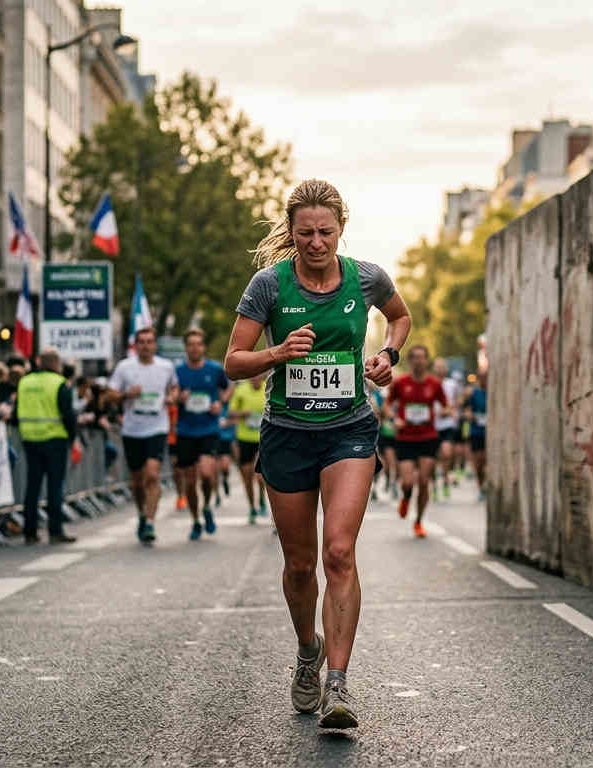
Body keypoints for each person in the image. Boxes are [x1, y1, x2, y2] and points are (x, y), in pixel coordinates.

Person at [225, 179, 410, 730]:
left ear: (341, 230)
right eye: (304, 233)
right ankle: (308, 649)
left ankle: (338, 684)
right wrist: (278, 352)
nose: (315, 243)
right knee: (301, 564)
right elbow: (233, 360)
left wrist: (387, 354)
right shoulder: (269, 285)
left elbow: (400, 317)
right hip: (287, 432)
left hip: (348, 428)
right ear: (292, 231)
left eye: (325, 232)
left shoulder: (367, 278)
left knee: (338, 552)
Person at [105, 327, 179, 544]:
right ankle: (141, 512)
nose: (145, 345)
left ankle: (149, 522)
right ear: (136, 345)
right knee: (137, 482)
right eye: (142, 342)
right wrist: (126, 394)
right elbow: (109, 395)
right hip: (132, 430)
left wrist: (171, 398)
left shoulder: (165, 367)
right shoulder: (124, 367)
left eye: (149, 342)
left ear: (154, 345)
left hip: (157, 428)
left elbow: (174, 388)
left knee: (152, 475)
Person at [15, 348, 79, 545]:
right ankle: (55, 530)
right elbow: (68, 414)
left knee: (32, 487)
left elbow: (17, 408)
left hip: (29, 439)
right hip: (54, 439)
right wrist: (73, 438)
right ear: (56, 364)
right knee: (54, 487)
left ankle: (30, 532)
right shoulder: (59, 383)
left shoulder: (24, 382)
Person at [173, 327, 232, 540]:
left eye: (198, 344)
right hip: (186, 430)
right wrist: (179, 397)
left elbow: (228, 388)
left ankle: (207, 505)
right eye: (191, 344)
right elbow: (170, 395)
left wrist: (220, 403)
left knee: (206, 474)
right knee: (189, 481)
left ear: (203, 347)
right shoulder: (177, 371)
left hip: (209, 429)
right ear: (186, 348)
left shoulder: (215, 369)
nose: (195, 348)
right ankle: (196, 519)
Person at [387, 345, 449, 537]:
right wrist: (394, 419)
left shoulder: (434, 384)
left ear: (427, 360)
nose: (418, 361)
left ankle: (419, 521)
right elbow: (388, 405)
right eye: (414, 358)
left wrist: (443, 412)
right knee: (407, 482)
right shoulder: (400, 383)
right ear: (410, 361)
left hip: (428, 437)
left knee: (423, 481)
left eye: (422, 358)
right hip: (405, 437)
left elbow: (446, 406)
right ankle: (405, 497)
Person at [229, 373, 269, 522]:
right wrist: (241, 414)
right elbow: (230, 413)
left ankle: (262, 500)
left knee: (259, 476)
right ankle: (252, 507)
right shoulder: (241, 390)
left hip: (263, 439)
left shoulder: (268, 388)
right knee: (246, 477)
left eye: (258, 375)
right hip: (244, 439)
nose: (255, 377)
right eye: (252, 374)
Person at [431, 357, 461, 498]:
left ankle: (445, 480)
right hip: (432, 425)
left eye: (443, 367)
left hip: (447, 424)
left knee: (447, 453)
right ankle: (434, 484)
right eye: (438, 366)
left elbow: (457, 400)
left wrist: (451, 410)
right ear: (433, 368)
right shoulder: (429, 383)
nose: (440, 369)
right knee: (432, 458)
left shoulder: (452, 384)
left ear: (446, 369)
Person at [369, 382, 398, 499]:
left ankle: (391, 483)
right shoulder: (375, 395)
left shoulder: (384, 395)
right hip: (376, 433)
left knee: (391, 462)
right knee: (379, 461)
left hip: (390, 433)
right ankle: (376, 487)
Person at [463, 368, 488, 500]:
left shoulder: (495, 390)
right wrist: (470, 415)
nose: (484, 380)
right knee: (479, 463)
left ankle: (487, 485)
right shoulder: (473, 393)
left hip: (491, 433)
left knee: (487, 460)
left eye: (486, 377)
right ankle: (480, 487)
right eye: (482, 377)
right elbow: (466, 411)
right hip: (477, 431)